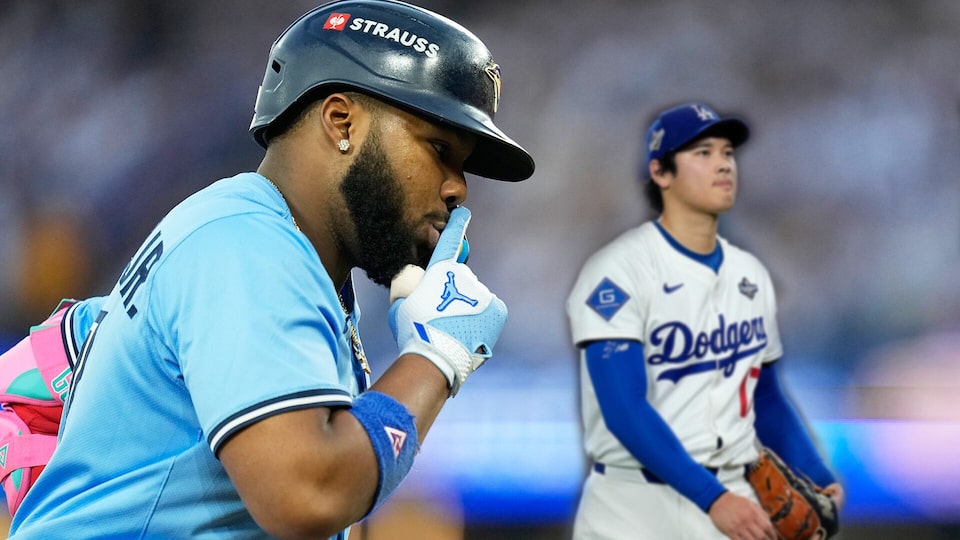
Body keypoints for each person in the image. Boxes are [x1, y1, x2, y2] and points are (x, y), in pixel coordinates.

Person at [8, 0, 534, 538]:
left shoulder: (272, 251)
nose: (457, 187)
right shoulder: (249, 243)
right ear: (340, 120)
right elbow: (308, 494)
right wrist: (436, 355)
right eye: (439, 148)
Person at [565, 102, 842, 539]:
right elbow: (623, 408)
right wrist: (711, 497)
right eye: (702, 153)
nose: (723, 165)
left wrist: (816, 470)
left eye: (727, 152)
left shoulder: (750, 274)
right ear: (661, 172)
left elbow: (764, 396)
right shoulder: (618, 271)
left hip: (734, 498)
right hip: (636, 506)